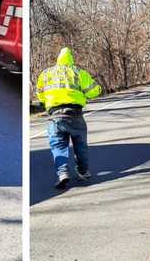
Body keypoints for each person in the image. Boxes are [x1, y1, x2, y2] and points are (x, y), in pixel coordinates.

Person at [36, 47, 102, 190]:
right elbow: (94, 91)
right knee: (80, 146)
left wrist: (48, 100)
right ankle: (83, 172)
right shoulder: (78, 72)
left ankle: (62, 173)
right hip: (75, 114)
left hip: (55, 116)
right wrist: (90, 93)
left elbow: (40, 95)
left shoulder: (46, 74)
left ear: (58, 59)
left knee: (58, 146)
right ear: (71, 59)